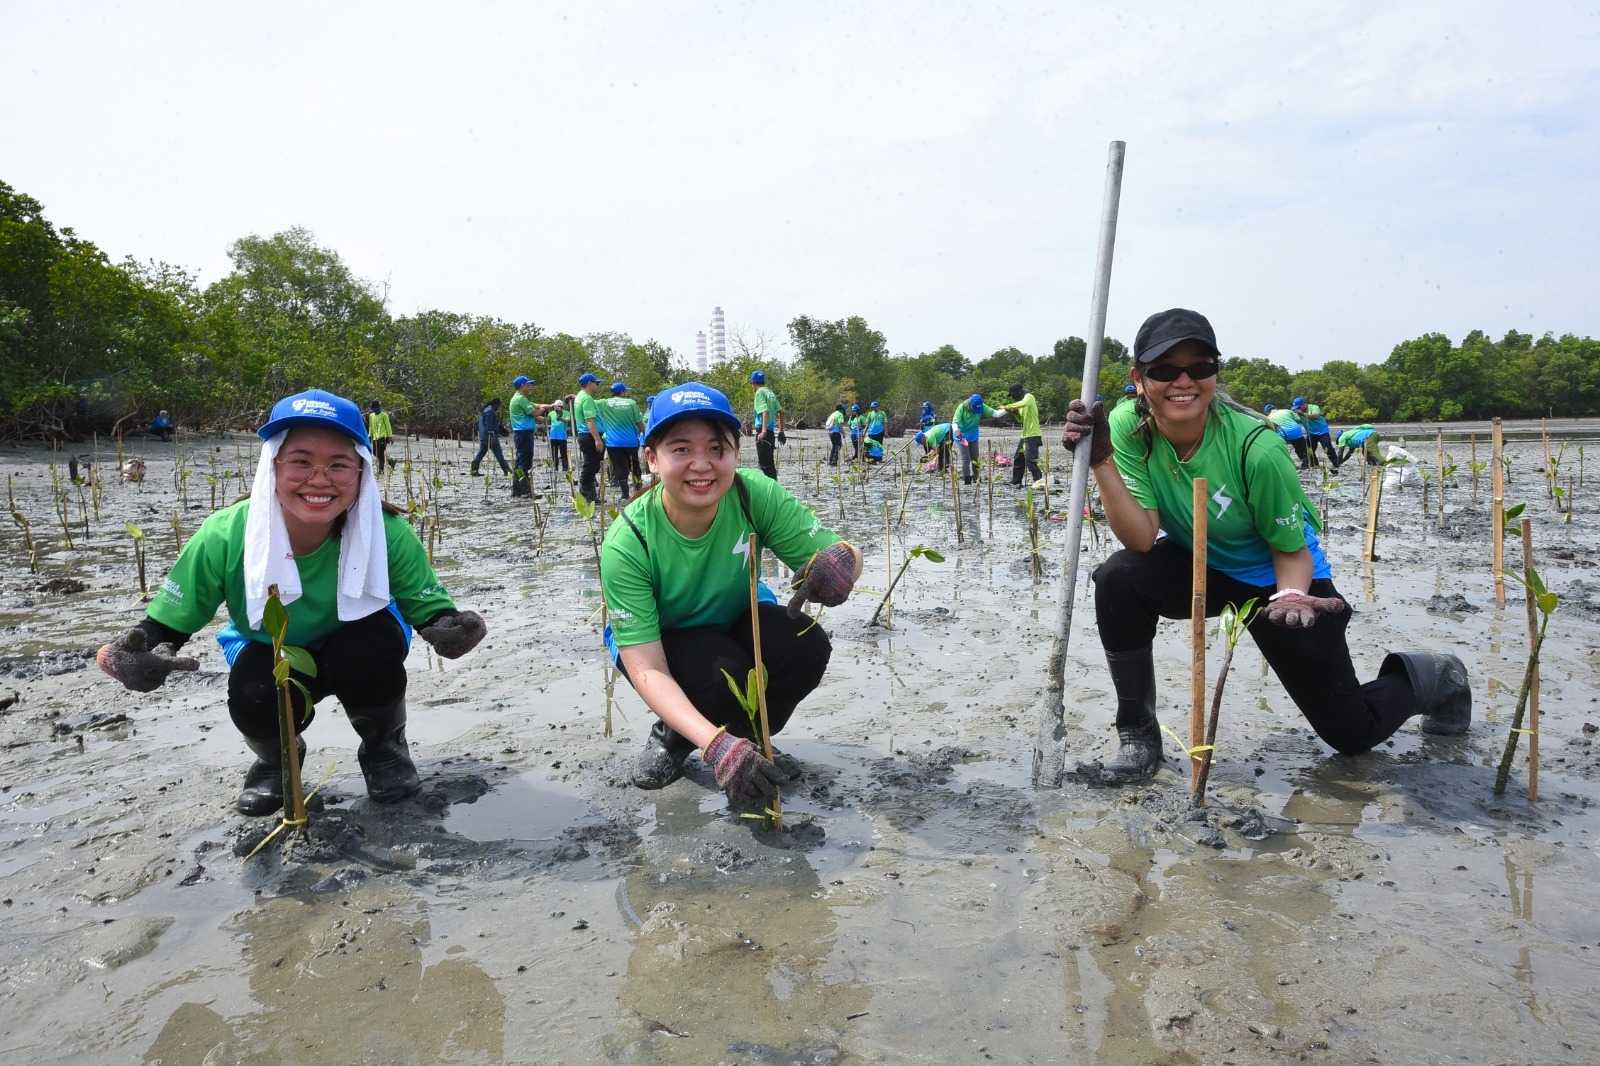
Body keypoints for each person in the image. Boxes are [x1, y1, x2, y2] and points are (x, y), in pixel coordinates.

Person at [1059, 308, 1470, 786]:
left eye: (1200, 367)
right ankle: (1138, 735)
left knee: (1350, 733)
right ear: (1139, 378)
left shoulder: (1258, 447)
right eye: (1165, 370)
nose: (1183, 382)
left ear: (1217, 372)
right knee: (1118, 577)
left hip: (1280, 580)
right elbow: (1142, 537)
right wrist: (1102, 460)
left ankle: (1434, 677)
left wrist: (1293, 596)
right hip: (1205, 565)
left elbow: (1290, 550)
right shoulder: (1129, 426)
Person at [93, 389, 488, 814]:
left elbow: (428, 607)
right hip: (270, 645)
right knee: (254, 693)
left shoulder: (386, 531)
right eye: (301, 462)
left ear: (361, 471)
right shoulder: (225, 535)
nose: (319, 479)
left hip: (359, 643)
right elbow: (167, 626)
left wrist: (449, 628)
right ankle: (277, 760)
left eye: (338, 465)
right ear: (273, 466)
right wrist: (139, 654)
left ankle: (384, 748)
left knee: (371, 650)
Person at [599, 382, 863, 806]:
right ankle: (677, 737)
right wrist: (715, 746)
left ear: (735, 455)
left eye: (716, 449)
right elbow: (647, 667)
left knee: (804, 645)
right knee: (719, 674)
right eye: (681, 449)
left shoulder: (751, 493)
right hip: (667, 643)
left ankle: (750, 741)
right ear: (651, 458)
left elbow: (840, 550)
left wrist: (842, 566)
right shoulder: (628, 541)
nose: (701, 465)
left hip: (739, 617)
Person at [600, 382, 646, 498]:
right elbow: (639, 423)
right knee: (635, 466)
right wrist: (644, 432)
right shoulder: (631, 403)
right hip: (631, 442)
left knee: (620, 468)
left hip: (613, 443)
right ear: (623, 392)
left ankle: (625, 494)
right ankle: (638, 490)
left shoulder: (604, 403)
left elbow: (589, 402)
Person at [952, 393, 1007, 485]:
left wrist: (1009, 408)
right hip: (960, 435)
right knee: (966, 459)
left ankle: (977, 479)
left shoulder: (981, 406)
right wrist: (961, 438)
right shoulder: (961, 408)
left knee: (975, 458)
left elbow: (996, 414)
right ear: (970, 405)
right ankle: (967, 481)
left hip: (973, 435)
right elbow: (954, 425)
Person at [1001, 382, 1044, 488]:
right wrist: (1014, 413)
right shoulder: (1021, 404)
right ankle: (1016, 481)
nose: (1013, 398)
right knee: (1018, 458)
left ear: (1018, 392)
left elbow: (1023, 403)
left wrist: (1007, 406)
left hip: (1033, 435)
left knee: (1031, 460)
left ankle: (1039, 482)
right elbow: (1021, 420)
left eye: (1013, 395)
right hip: (1024, 435)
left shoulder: (1029, 397)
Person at [574, 373, 606, 502]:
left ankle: (590, 496)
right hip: (589, 436)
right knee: (591, 466)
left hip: (585, 435)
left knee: (591, 466)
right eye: (596, 383)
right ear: (588, 384)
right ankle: (586, 495)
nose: (597, 385)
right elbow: (590, 421)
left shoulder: (580, 397)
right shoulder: (586, 398)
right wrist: (597, 439)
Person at [750, 370, 786, 480]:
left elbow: (765, 411)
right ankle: (774, 490)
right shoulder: (770, 393)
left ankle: (771, 494)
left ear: (753, 383)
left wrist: (763, 431)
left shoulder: (759, 392)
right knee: (770, 466)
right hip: (771, 433)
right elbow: (781, 411)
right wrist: (781, 431)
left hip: (763, 431)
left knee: (765, 466)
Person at [470, 397, 512, 477]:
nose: (498, 408)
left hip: (483, 436)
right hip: (490, 437)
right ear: (496, 404)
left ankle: (474, 470)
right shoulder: (490, 412)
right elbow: (489, 426)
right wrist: (492, 435)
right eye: (499, 406)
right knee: (499, 454)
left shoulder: (485, 410)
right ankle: (507, 470)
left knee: (481, 453)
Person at [1267, 401, 1313, 470]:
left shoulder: (1268, 417)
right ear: (1276, 408)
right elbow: (1298, 419)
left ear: (1267, 412)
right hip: (1296, 432)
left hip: (1283, 434)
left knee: (1283, 450)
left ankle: (1286, 466)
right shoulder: (1286, 411)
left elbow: (1272, 428)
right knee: (1301, 450)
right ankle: (1306, 465)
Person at [1305, 402, 1337, 468]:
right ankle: (1314, 464)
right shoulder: (1298, 412)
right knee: (1309, 449)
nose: (1298, 409)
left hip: (1323, 432)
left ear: (1304, 404)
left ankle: (1336, 463)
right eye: (1297, 408)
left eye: (1299, 407)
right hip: (1311, 433)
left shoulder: (1314, 407)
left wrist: (1303, 414)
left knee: (1327, 448)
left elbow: (1315, 416)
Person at [547, 396, 571, 483]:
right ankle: (555, 467)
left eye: (560, 406)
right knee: (554, 453)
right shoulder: (551, 413)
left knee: (563, 453)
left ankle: (565, 468)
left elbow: (568, 420)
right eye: (556, 406)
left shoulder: (567, 412)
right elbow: (547, 421)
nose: (558, 408)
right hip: (553, 436)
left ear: (562, 407)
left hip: (562, 436)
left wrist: (561, 418)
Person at [366, 401, 394, 473]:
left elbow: (388, 426)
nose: (376, 409)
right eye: (374, 408)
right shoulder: (371, 416)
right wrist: (370, 435)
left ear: (379, 407)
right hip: (375, 437)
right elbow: (371, 426)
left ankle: (381, 470)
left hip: (383, 437)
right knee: (375, 453)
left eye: (378, 408)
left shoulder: (384, 415)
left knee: (381, 454)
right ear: (372, 408)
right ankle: (390, 461)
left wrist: (390, 436)